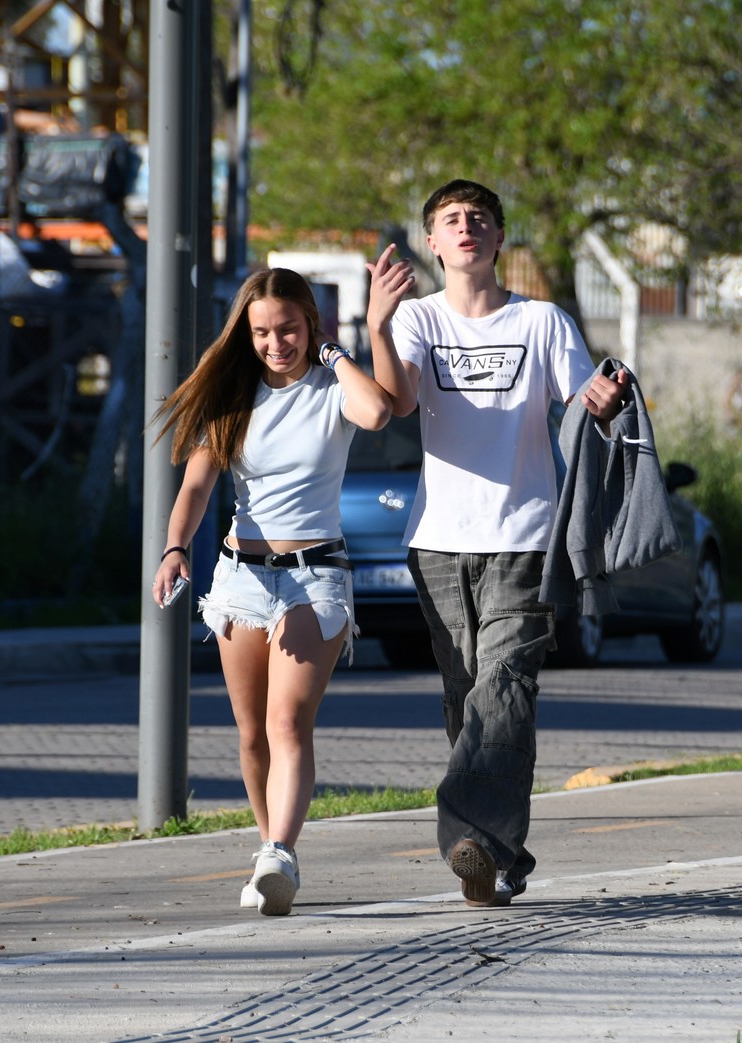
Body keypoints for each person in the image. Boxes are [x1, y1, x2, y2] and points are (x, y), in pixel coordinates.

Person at [365, 179, 627, 907]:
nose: (466, 226)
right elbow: (401, 402)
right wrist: (377, 328)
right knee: (468, 698)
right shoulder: (415, 319)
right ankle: (501, 854)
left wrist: (602, 397)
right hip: (439, 543)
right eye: (450, 219)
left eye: (479, 217)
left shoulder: (542, 321)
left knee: (503, 689)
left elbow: (581, 398)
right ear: (433, 244)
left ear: (499, 238)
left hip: (524, 537)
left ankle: (467, 842)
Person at [149, 268, 392, 915]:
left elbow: (376, 410)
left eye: (287, 328)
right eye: (261, 331)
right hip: (240, 577)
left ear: (311, 323)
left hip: (316, 576)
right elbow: (197, 485)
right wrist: (175, 548)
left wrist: (336, 352)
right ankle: (269, 851)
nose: (274, 342)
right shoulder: (235, 396)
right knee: (251, 732)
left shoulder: (330, 387)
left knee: (288, 721)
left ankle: (280, 850)